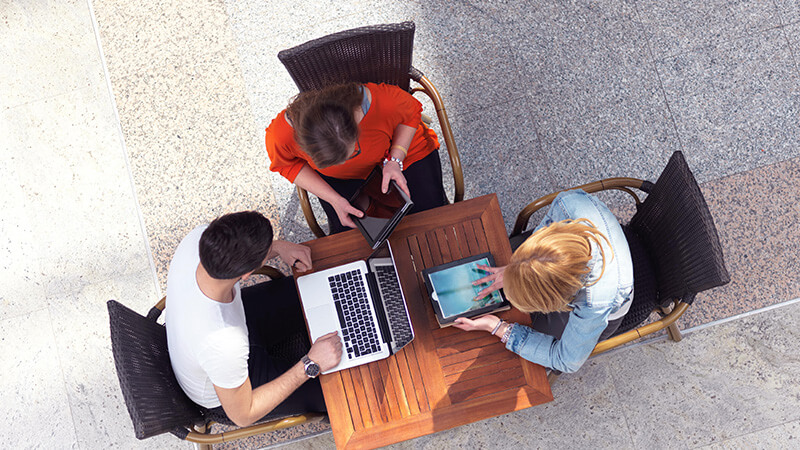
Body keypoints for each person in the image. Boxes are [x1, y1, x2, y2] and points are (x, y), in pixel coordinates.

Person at [165, 211, 343, 427]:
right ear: (247, 273)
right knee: (342, 391)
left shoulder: (198, 238)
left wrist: (278, 247)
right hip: (232, 394)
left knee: (319, 286)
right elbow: (243, 415)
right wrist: (310, 364)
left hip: (225, 337)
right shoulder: (222, 342)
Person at [452, 190, 633, 374]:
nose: (506, 294)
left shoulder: (595, 302)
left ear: (554, 301)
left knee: (517, 365)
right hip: (597, 265)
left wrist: (499, 328)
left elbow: (566, 360)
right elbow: (540, 247)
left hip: (607, 307)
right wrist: (517, 270)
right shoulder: (568, 203)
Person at [265, 82, 446, 234]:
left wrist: (395, 159)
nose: (346, 162)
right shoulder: (281, 135)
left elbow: (411, 114)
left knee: (433, 221)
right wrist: (334, 199)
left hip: (405, 154)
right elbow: (287, 165)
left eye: (351, 153)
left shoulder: (385, 101)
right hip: (341, 181)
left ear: (356, 125)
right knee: (351, 238)